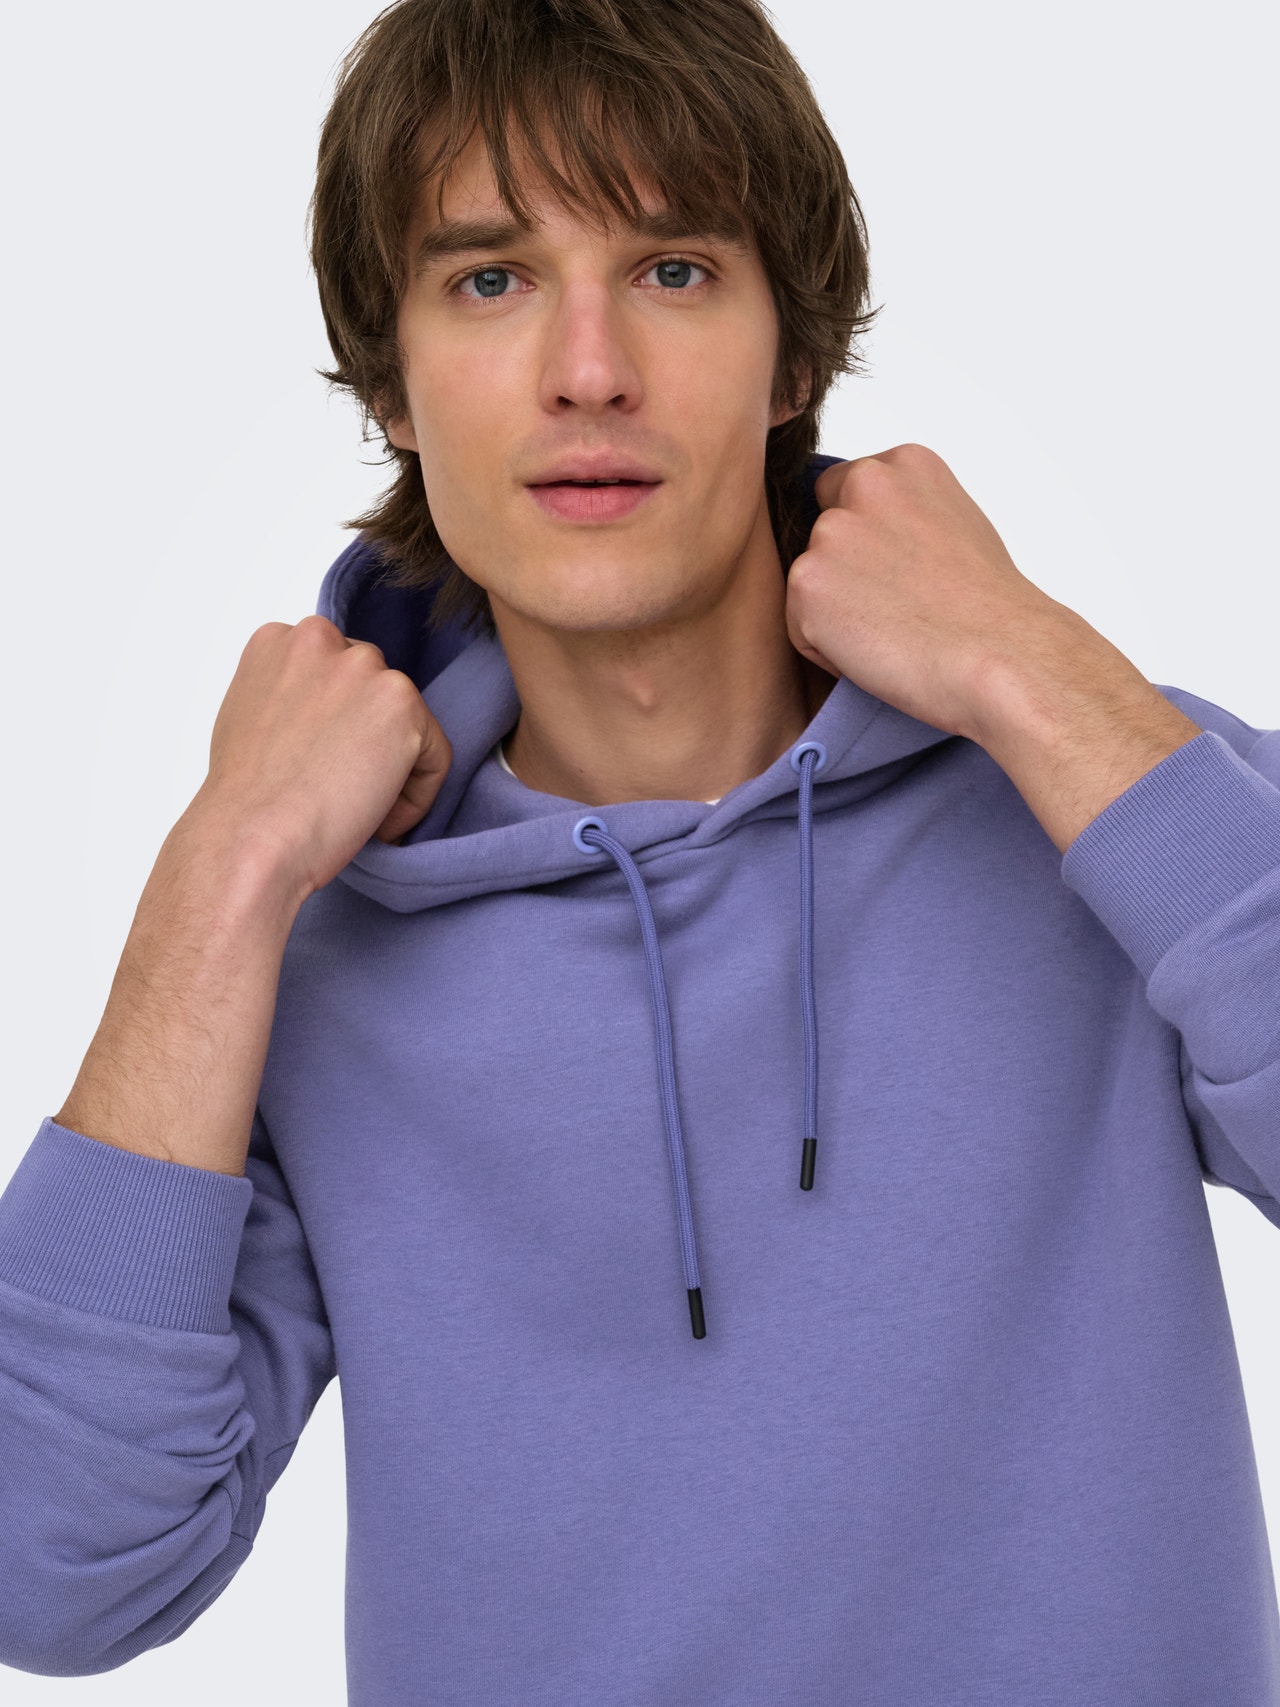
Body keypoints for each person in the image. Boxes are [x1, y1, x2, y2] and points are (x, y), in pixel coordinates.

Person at [1, 0, 1278, 1699]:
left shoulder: (1103, 786)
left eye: (673, 269)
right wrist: (218, 873)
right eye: (490, 280)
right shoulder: (300, 952)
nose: (588, 370)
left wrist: (1035, 673)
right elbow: (50, 1572)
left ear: (793, 358)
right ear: (388, 383)